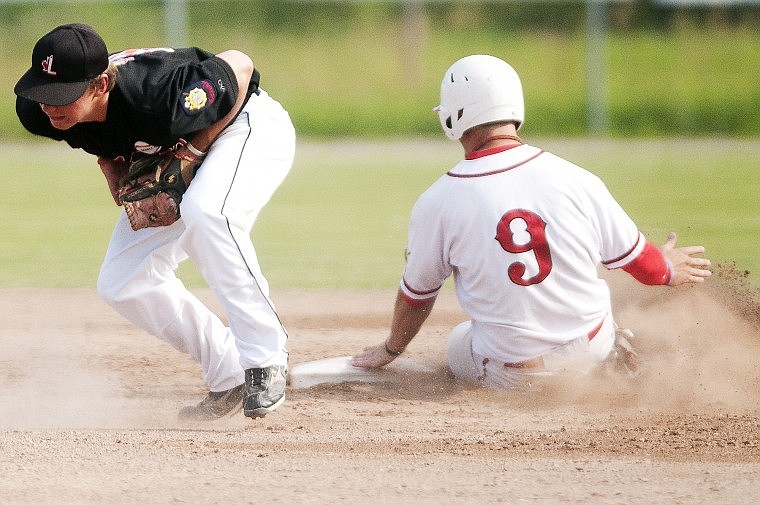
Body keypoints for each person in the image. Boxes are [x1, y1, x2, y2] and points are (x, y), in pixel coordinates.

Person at [351, 54, 712, 389]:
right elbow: (641, 264)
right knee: (598, 305)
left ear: (453, 115)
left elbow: (417, 296)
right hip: (590, 352)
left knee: (459, 339)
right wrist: (666, 269)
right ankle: (616, 353)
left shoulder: (438, 199)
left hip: (511, 377)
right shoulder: (576, 179)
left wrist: (391, 349)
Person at [15, 23, 295, 419]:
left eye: (62, 95)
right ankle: (229, 371)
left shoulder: (159, 92)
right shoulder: (41, 113)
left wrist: (192, 153)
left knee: (208, 212)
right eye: (43, 92)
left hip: (245, 126)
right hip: (174, 148)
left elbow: (241, 66)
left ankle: (266, 357)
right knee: (123, 280)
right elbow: (99, 131)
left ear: (100, 86)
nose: (49, 105)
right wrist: (107, 160)